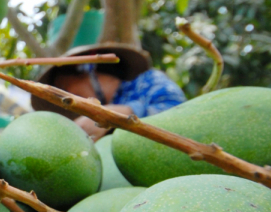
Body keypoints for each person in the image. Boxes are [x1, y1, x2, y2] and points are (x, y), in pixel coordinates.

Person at [34, 42, 186, 139]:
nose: (65, 97)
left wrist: (118, 114)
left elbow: (180, 114)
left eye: (65, 86)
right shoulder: (95, 126)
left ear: (88, 70)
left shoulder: (148, 80)